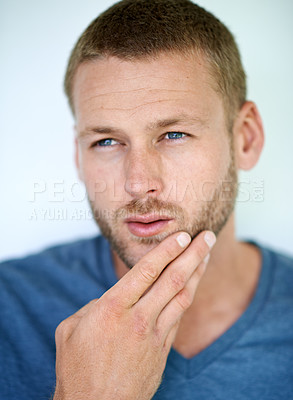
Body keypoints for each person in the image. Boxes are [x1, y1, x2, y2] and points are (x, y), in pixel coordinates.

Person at [0, 0, 292, 399]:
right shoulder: (7, 307)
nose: (138, 184)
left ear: (245, 138)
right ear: (78, 156)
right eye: (106, 141)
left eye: (174, 135)